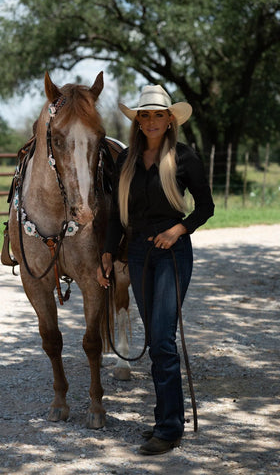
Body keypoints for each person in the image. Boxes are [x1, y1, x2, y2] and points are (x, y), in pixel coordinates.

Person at [97, 84, 214, 455]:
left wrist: (178, 229)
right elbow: (116, 215)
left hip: (172, 253)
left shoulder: (184, 158)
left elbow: (206, 207)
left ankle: (169, 428)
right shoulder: (126, 160)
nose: (151, 120)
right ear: (137, 121)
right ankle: (165, 417)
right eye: (144, 114)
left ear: (169, 120)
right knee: (155, 339)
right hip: (136, 252)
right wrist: (105, 253)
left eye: (158, 114)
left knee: (162, 340)